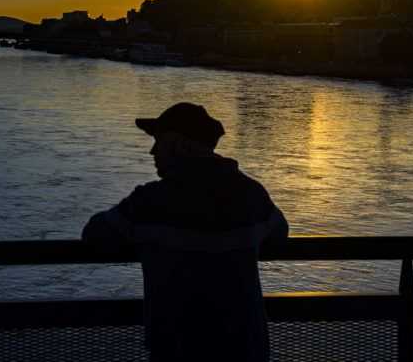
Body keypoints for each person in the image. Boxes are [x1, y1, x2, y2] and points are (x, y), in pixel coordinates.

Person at [82, 102, 288, 362]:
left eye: (159, 142)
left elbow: (94, 234)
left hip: (177, 348)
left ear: (180, 146)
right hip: (245, 349)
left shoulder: (150, 201)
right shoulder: (252, 195)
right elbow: (280, 233)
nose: (152, 151)